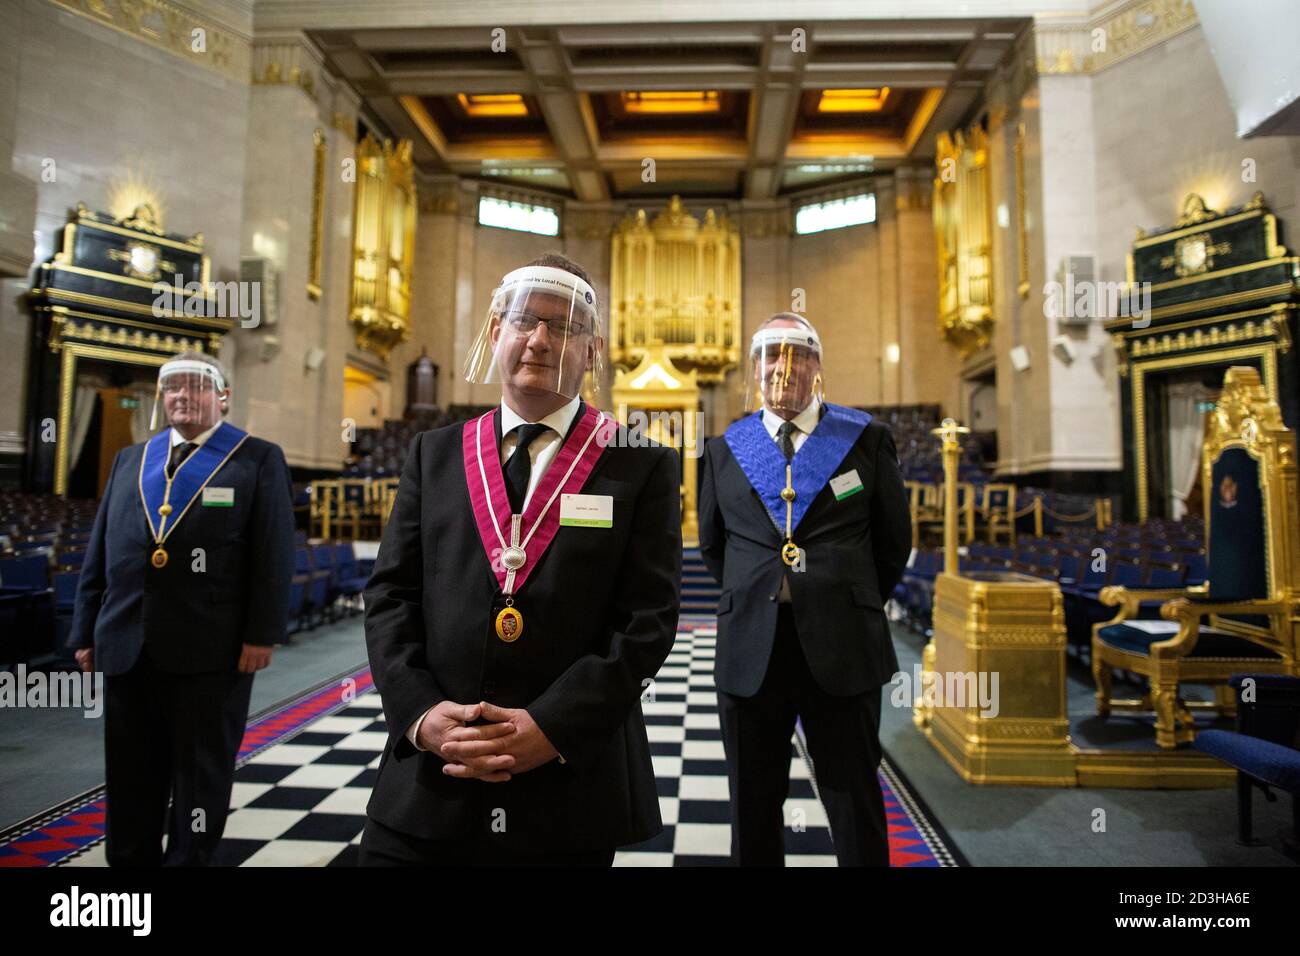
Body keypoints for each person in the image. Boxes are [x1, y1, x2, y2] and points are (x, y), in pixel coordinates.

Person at [360, 252, 681, 866]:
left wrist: (553, 728)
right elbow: (390, 596)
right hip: (429, 782)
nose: (539, 339)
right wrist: (421, 714)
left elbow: (647, 624)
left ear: (592, 351)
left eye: (563, 326)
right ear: (494, 333)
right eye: (524, 319)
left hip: (567, 788)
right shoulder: (435, 455)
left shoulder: (641, 463)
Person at [698, 312, 912, 866]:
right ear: (754, 368)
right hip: (752, 649)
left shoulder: (865, 439)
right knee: (752, 804)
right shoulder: (724, 449)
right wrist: (762, 597)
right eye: (770, 356)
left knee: (854, 799)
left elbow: (893, 544)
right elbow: (713, 547)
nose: (782, 367)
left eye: (797, 354)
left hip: (843, 644)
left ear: (817, 366)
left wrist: (845, 598)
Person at [70, 351, 295, 866]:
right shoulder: (133, 458)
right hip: (128, 642)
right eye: (172, 388)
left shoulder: (256, 457)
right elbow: (102, 551)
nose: (181, 397)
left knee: (199, 774)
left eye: (195, 387)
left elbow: (273, 552)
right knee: (130, 771)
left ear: (222, 398)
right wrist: (86, 631)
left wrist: (262, 633)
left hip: (212, 648)